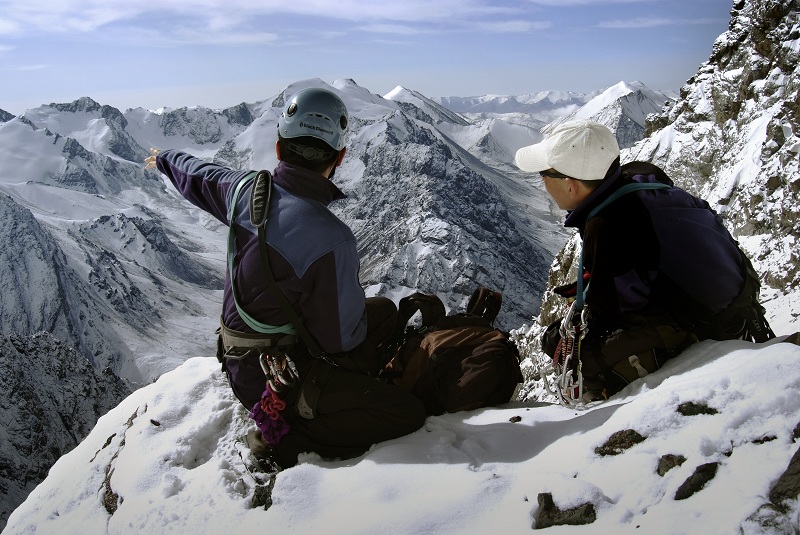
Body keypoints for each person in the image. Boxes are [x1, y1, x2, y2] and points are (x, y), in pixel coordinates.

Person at [145, 86, 426, 469]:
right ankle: (283, 441)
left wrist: (163, 158)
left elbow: (197, 174)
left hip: (235, 355)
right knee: (404, 412)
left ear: (279, 147)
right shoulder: (331, 238)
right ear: (340, 157)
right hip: (272, 378)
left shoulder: (244, 191)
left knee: (382, 312)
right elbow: (339, 340)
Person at [514, 120, 773, 402]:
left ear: (571, 185)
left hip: (711, 325)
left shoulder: (608, 226)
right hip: (736, 304)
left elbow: (616, 313)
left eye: (544, 174)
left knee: (576, 350)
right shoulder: (639, 180)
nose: (542, 182)